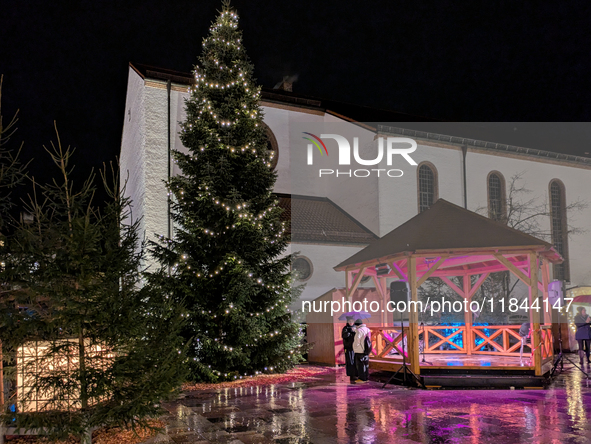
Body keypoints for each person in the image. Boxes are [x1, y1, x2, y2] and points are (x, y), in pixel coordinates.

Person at [353, 318, 371, 383]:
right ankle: (366, 377)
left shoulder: (359, 331)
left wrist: (355, 348)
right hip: (366, 349)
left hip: (360, 350)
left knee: (360, 365)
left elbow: (357, 341)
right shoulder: (367, 329)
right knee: (366, 364)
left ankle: (362, 378)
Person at [341, 316, 357, 384]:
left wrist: (354, 331)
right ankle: (351, 375)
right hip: (348, 347)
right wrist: (350, 332)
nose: (351, 322)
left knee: (355, 360)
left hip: (355, 347)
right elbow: (344, 336)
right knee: (350, 361)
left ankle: (356, 374)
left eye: (352, 321)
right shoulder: (345, 328)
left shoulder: (355, 327)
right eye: (349, 321)